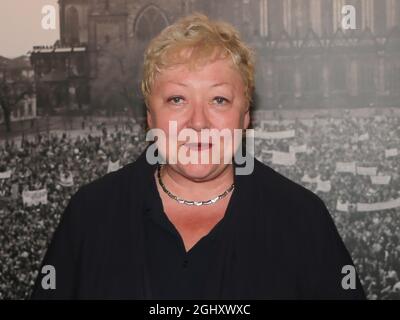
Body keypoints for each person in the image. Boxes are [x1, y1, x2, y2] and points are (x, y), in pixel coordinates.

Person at [31, 13, 365, 299]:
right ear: (149, 116)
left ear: (246, 116)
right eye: (177, 99)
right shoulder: (89, 216)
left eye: (219, 100)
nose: (198, 122)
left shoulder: (302, 220)